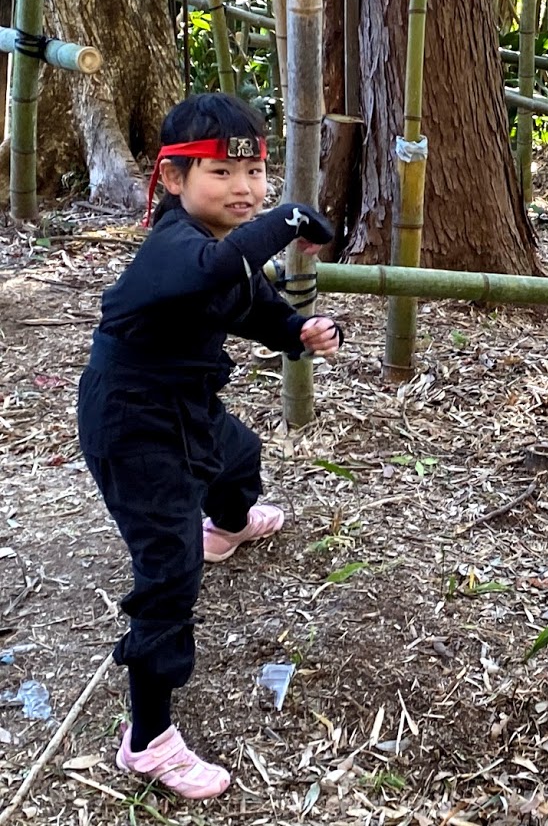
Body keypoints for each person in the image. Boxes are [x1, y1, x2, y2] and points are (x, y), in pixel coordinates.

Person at [77, 93, 342, 799]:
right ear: (171, 180)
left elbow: (245, 299)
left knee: (239, 458)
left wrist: (297, 333)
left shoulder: (225, 250)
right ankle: (148, 742)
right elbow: (212, 273)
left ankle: (225, 528)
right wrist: (286, 217)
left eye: (254, 173)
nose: (245, 189)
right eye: (221, 173)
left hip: (184, 404)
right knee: (168, 576)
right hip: (133, 425)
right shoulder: (175, 246)